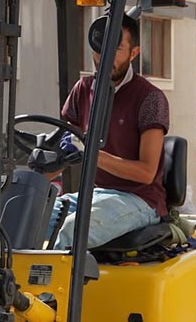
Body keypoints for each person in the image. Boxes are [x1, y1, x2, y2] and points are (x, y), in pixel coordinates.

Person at [49, 13, 171, 250]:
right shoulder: (83, 89)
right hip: (97, 195)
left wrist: (92, 154)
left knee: (73, 230)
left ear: (133, 53)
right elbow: (64, 148)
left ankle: (52, 288)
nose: (103, 57)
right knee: (30, 215)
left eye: (115, 49)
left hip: (140, 200)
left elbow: (146, 172)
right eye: (98, 48)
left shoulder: (149, 98)